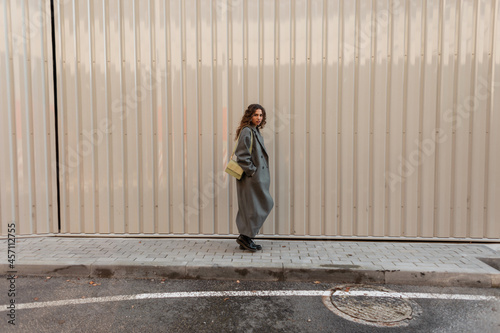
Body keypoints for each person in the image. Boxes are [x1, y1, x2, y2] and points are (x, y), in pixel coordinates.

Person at [233, 104, 274, 251]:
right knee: (254, 207)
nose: (259, 118)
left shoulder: (254, 131)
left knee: (254, 207)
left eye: (261, 115)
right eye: (256, 115)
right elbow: (242, 155)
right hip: (251, 178)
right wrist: (252, 172)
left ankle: (245, 237)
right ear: (249, 115)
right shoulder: (247, 131)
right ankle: (245, 237)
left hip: (256, 177)